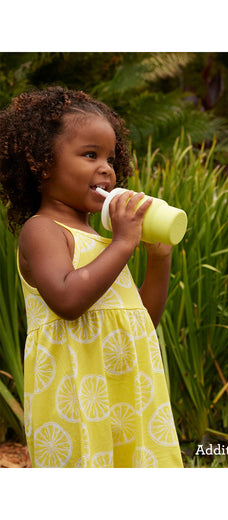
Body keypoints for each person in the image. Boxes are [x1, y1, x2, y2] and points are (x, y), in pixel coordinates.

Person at [0, 86, 183, 468]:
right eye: (90, 155)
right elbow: (67, 300)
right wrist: (123, 243)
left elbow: (142, 320)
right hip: (79, 396)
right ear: (42, 163)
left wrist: (157, 258)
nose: (107, 168)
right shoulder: (43, 230)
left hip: (127, 391)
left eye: (110, 157)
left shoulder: (103, 243)